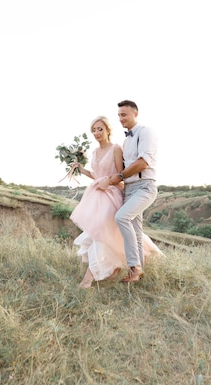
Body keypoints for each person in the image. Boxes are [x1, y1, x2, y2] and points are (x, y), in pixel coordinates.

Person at [70, 115, 161, 289]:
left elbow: (122, 177)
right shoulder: (95, 152)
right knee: (100, 233)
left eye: (100, 129)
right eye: (94, 130)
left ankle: (88, 279)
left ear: (108, 130)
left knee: (100, 235)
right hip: (97, 196)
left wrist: (108, 183)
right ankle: (115, 268)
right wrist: (81, 169)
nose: (97, 133)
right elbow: (97, 175)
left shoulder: (116, 149)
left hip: (111, 196)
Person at [98, 100, 158, 283]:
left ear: (135, 113)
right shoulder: (126, 140)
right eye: (118, 115)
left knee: (121, 217)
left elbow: (142, 163)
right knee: (137, 232)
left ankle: (134, 267)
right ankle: (138, 275)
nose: (120, 118)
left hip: (145, 186)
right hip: (130, 189)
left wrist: (119, 177)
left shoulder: (145, 132)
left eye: (124, 114)